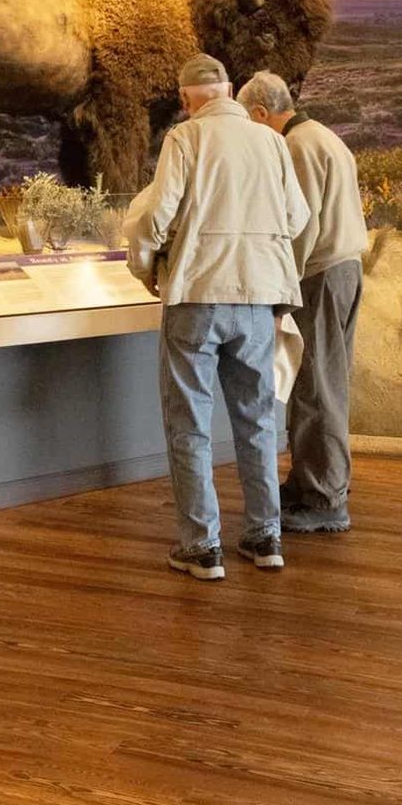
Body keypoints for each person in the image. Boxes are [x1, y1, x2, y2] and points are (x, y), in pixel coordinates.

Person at [124, 54, 310, 580]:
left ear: (186, 100)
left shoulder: (185, 139)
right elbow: (298, 216)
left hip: (196, 294)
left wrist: (147, 269)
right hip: (257, 298)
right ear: (229, 91)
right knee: (256, 422)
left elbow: (155, 217)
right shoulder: (270, 141)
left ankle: (203, 547)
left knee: (190, 424)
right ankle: (265, 536)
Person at [237, 71, 368, 534]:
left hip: (320, 276)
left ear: (259, 113)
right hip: (342, 270)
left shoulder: (296, 147)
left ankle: (325, 499)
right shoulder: (324, 136)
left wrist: (280, 289)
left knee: (317, 387)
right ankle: (312, 482)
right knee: (323, 382)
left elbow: (302, 226)